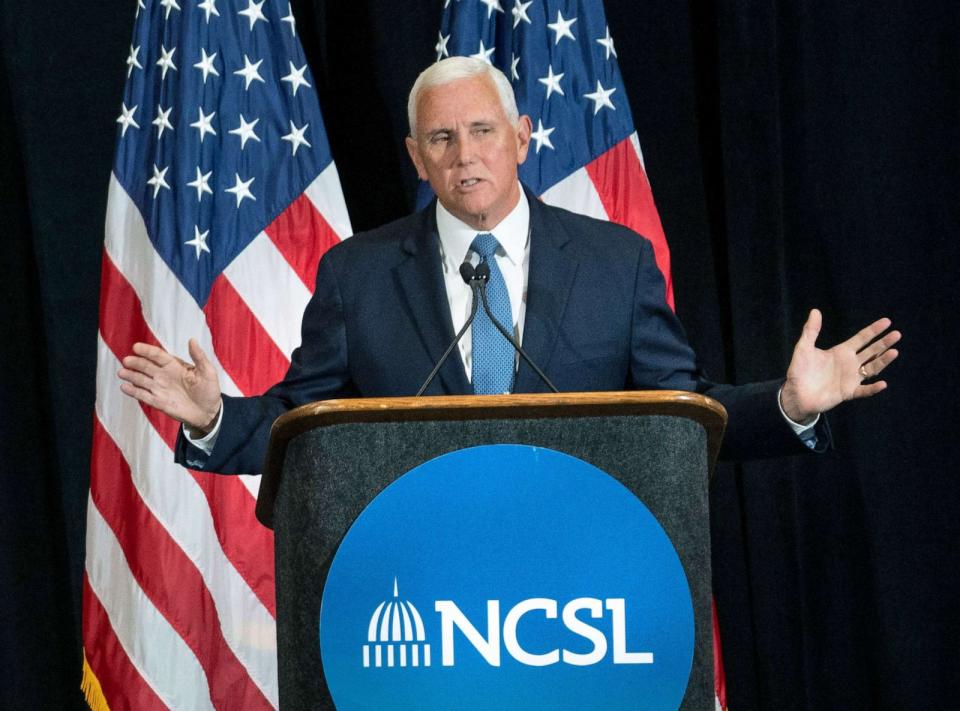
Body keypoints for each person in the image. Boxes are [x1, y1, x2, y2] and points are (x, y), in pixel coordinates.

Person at [118, 57, 900, 475]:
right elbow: (302, 423)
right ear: (415, 158)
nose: (466, 157)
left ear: (523, 136)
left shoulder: (615, 264)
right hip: (421, 587)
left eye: (484, 131)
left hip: (581, 583)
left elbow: (679, 418)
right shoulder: (357, 275)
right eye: (442, 140)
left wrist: (789, 404)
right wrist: (215, 415)